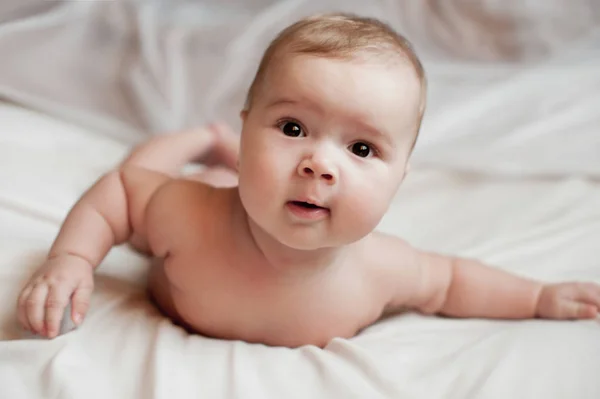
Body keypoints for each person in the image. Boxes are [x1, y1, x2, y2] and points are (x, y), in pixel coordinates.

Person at [16, 13, 600, 348]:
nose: (320, 164)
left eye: (362, 148)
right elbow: (120, 191)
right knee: (146, 165)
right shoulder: (184, 214)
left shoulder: (381, 270)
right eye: (292, 127)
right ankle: (205, 137)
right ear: (251, 134)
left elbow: (452, 282)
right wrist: (71, 258)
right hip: (209, 199)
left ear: (401, 176)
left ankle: (221, 151)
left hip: (238, 179)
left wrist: (537, 297)